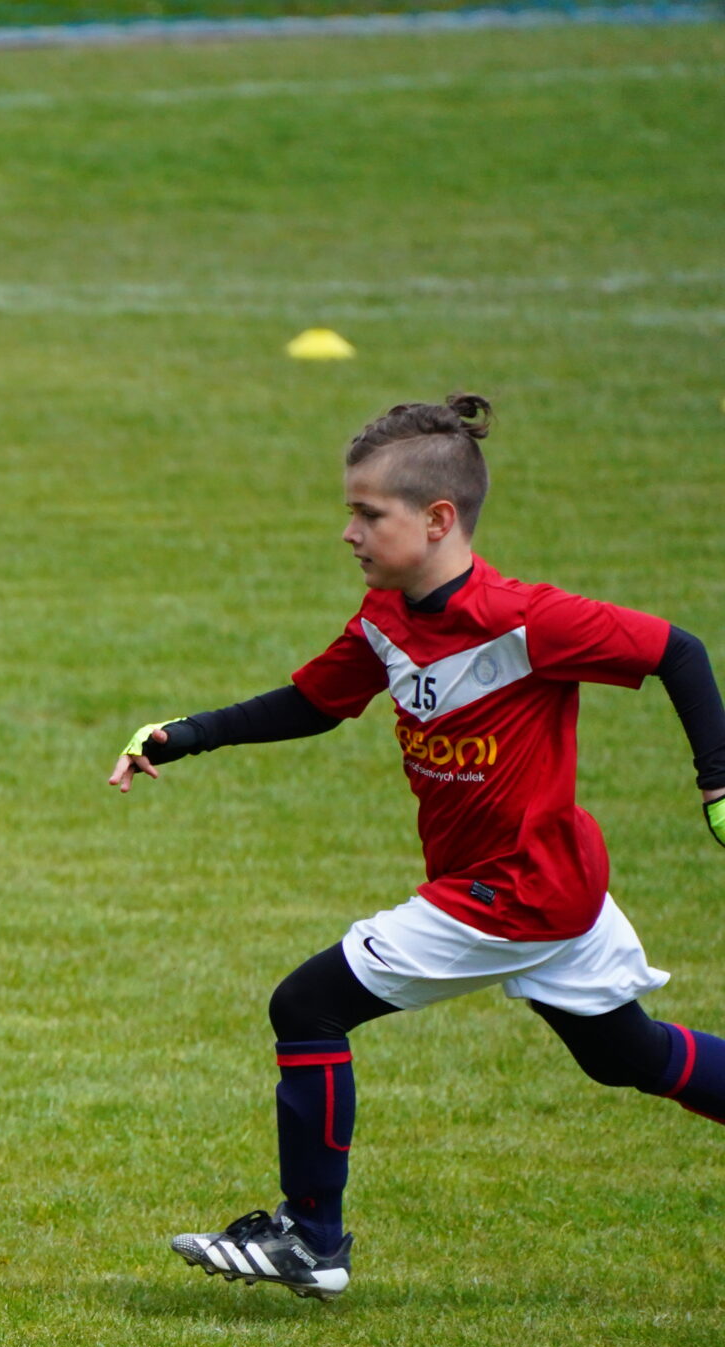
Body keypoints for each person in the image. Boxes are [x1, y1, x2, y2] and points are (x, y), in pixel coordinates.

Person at [109, 393, 725, 1298]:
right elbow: (314, 702)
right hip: (552, 884)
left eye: (369, 514)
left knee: (307, 1005)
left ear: (439, 519)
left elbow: (678, 649)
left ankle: (312, 1240)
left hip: (514, 891)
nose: (349, 532)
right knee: (624, 1056)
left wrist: (718, 779)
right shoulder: (387, 618)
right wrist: (186, 734)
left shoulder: (527, 619)